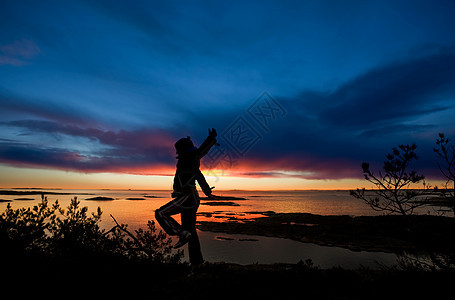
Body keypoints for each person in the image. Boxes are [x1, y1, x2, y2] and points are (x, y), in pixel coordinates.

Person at [155, 128, 218, 266]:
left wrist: (210, 139)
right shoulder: (189, 160)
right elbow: (199, 174)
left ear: (183, 150)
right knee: (191, 231)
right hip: (191, 198)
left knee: (160, 213)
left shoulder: (189, 158)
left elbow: (200, 152)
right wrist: (207, 191)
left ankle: (181, 233)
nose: (177, 152)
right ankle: (197, 263)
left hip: (188, 197)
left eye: (178, 150)